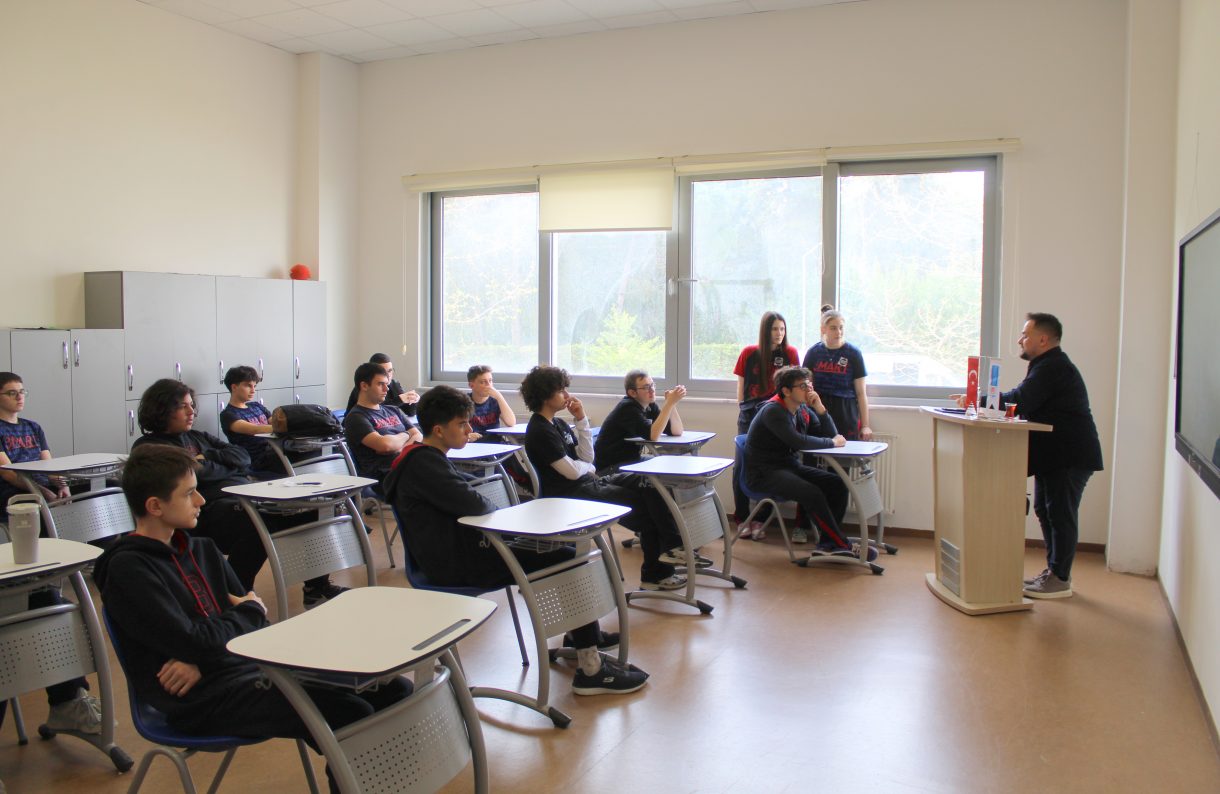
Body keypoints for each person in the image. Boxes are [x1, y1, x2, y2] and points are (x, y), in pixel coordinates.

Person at [94, 445, 410, 793]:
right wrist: (240, 617)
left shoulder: (203, 550)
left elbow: (253, 627)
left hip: (243, 669)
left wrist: (208, 653)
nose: (201, 500)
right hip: (200, 699)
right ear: (155, 506)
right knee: (348, 712)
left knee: (392, 688)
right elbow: (223, 625)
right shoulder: (129, 569)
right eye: (188, 493)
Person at [384, 386, 646, 696]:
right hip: (455, 564)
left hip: (459, 551)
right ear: (439, 430)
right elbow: (477, 505)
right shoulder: (425, 465)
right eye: (462, 424)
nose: (469, 430)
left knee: (563, 553)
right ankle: (591, 669)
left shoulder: (425, 458)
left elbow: (468, 495)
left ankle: (582, 639)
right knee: (565, 560)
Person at [133, 378, 346, 606]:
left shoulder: (198, 436)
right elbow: (194, 475)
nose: (191, 411)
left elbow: (243, 457)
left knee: (315, 509)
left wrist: (209, 457)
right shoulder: (150, 447)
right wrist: (221, 465)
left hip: (245, 495)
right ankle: (238, 594)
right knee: (256, 522)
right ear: (162, 410)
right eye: (182, 406)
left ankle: (316, 588)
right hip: (206, 509)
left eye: (191, 405)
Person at [958, 313, 1103, 599]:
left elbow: (1021, 399)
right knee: (1046, 511)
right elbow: (1022, 398)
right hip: (1055, 456)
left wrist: (978, 400)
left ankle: (1060, 578)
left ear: (1043, 339)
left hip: (1069, 456)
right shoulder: (1046, 365)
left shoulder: (1054, 366)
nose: (1020, 340)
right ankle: (1053, 573)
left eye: (1025, 335)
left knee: (1060, 514)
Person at [521, 366, 691, 591]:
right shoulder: (539, 430)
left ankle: (673, 548)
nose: (567, 394)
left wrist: (581, 419)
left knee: (652, 484)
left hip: (587, 482)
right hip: (569, 494)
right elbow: (572, 472)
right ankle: (657, 572)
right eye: (561, 390)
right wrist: (587, 467)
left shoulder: (558, 424)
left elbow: (586, 457)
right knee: (647, 508)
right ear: (544, 395)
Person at [0, 372, 100, 736]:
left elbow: (48, 465)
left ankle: (68, 700)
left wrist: (57, 486)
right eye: (11, 393)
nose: (19, 397)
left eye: (21, 392)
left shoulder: (32, 427)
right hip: (14, 506)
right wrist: (41, 490)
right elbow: (9, 473)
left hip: (34, 505)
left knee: (48, 600)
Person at [745, 366, 873, 557]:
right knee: (811, 492)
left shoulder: (802, 409)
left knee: (838, 484)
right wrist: (832, 442)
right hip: (763, 473)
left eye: (810, 384)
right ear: (786, 391)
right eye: (803, 386)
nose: (809, 389)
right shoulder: (773, 411)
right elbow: (798, 441)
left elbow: (831, 434)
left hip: (788, 467)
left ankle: (829, 542)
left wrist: (821, 409)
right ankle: (839, 544)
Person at [733, 311, 800, 537]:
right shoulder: (748, 353)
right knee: (741, 465)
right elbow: (741, 387)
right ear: (765, 331)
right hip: (750, 415)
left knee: (771, 466)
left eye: (782, 329)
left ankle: (760, 520)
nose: (779, 333)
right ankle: (742, 518)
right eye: (774, 329)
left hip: (777, 418)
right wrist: (743, 408)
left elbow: (796, 387)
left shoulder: (790, 353)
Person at [343, 363, 422, 495]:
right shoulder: (356, 417)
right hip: (385, 477)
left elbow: (418, 435)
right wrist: (407, 434)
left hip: (407, 466)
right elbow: (385, 445)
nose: (387, 389)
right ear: (364, 386)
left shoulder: (393, 410)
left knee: (448, 476)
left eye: (387, 384)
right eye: (380, 384)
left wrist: (400, 449)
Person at [802, 305, 873, 441]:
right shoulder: (813, 353)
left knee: (844, 451)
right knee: (819, 450)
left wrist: (865, 425)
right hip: (819, 407)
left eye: (841, 327)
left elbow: (861, 393)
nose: (838, 332)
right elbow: (806, 387)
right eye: (833, 328)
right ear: (823, 329)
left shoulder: (854, 353)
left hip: (845, 409)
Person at [593, 370, 685, 473]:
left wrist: (672, 404)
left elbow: (676, 431)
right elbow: (653, 436)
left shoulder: (649, 405)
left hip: (631, 461)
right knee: (662, 472)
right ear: (632, 393)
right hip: (611, 467)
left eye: (652, 385)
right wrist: (669, 403)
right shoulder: (627, 408)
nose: (652, 390)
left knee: (669, 466)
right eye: (646, 387)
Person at [218, 365, 284, 478]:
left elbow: (275, 422)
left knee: (306, 449)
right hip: (256, 460)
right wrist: (288, 427)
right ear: (234, 387)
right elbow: (255, 429)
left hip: (275, 451)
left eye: (254, 386)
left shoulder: (256, 406)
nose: (253, 390)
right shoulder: (228, 415)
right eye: (248, 386)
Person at [344, 354, 419, 415]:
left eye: (390, 371)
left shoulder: (393, 384)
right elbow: (374, 411)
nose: (388, 375)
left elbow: (410, 412)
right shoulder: (365, 387)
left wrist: (413, 400)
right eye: (383, 372)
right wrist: (399, 400)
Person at [465, 364, 516, 440]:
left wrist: (499, 396)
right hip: (474, 444)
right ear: (471, 385)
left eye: (490, 380)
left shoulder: (495, 400)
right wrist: (467, 437)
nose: (489, 385)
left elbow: (511, 423)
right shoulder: (464, 402)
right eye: (483, 382)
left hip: (495, 442)